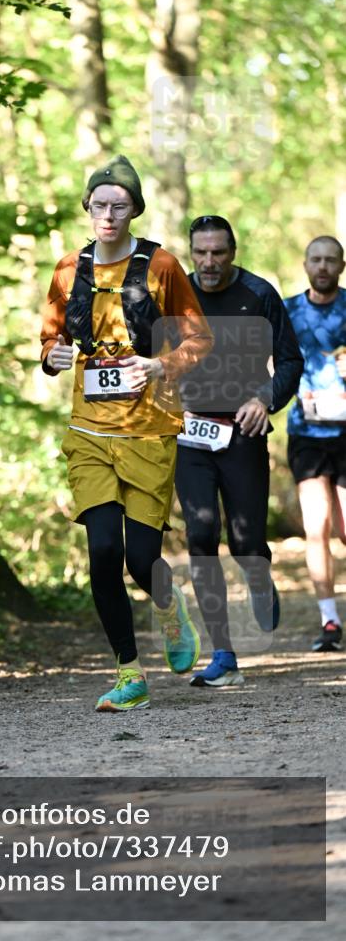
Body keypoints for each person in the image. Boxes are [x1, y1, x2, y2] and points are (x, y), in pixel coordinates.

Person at [40, 154, 213, 712]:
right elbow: (49, 339)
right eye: (100, 205)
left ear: (135, 209)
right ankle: (129, 673)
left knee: (141, 560)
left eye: (119, 206)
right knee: (103, 550)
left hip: (149, 431)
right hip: (89, 431)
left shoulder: (161, 266)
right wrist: (53, 355)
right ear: (87, 209)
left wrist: (160, 365)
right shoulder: (69, 269)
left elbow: (198, 338)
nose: (109, 215)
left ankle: (169, 608)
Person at [174, 215, 304, 688]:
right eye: (201, 252)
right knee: (201, 535)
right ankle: (223, 655)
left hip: (243, 432)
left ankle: (259, 576)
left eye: (218, 253)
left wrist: (264, 398)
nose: (209, 262)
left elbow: (290, 361)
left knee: (246, 542)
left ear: (233, 252)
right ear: (191, 252)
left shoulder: (259, 294)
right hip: (190, 435)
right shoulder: (175, 297)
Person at [284, 235, 346, 652]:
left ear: (341, 266)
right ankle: (329, 621)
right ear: (306, 264)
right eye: (316, 260)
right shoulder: (288, 310)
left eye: (330, 260)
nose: (322, 266)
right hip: (306, 431)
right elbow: (271, 362)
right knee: (316, 526)